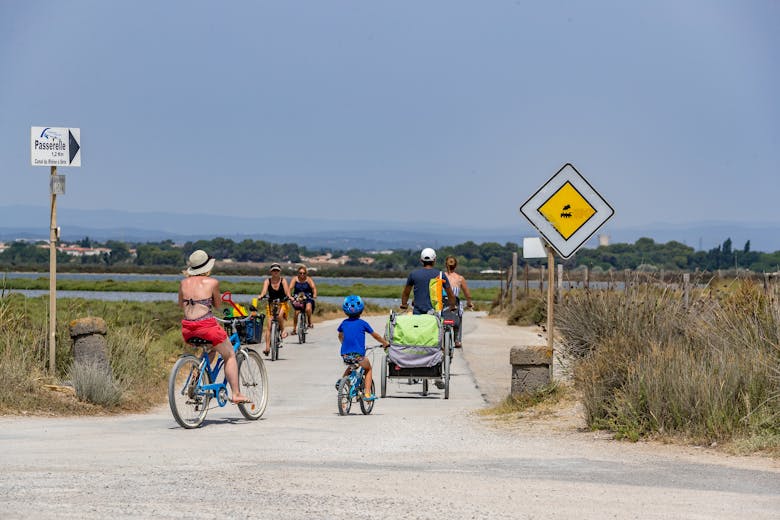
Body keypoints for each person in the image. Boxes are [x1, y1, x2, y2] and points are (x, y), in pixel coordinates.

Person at [178, 250, 250, 404]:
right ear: (206, 267)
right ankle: (236, 394)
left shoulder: (183, 283)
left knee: (211, 350)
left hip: (187, 329)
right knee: (230, 354)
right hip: (207, 327)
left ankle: (195, 379)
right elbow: (217, 305)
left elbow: (180, 305)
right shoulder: (212, 282)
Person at [337, 295, 390, 401]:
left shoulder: (344, 323)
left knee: (352, 365)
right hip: (358, 355)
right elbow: (375, 335)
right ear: (361, 310)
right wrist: (385, 343)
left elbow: (340, 335)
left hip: (345, 354)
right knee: (368, 368)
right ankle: (367, 394)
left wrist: (343, 343)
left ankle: (341, 382)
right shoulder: (362, 323)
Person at [400, 247, 457, 315]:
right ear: (434, 260)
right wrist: (452, 306)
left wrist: (404, 304)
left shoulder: (413, 274)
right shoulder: (441, 275)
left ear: (421, 260)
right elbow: (450, 294)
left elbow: (406, 293)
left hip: (418, 314)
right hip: (435, 314)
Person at [258, 262, 292, 356]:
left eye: (277, 270)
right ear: (271, 271)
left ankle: (283, 331)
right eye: (274, 270)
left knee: (280, 315)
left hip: (282, 303)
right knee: (269, 325)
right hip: (271, 304)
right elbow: (264, 291)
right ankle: (267, 348)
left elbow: (287, 292)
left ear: (279, 271)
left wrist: (290, 297)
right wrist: (261, 296)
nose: (275, 272)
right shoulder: (267, 281)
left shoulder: (283, 281)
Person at [442, 255, 474, 348]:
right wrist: (469, 303)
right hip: (454, 303)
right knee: (458, 318)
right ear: (456, 266)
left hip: (442, 303)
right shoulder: (460, 278)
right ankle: (457, 340)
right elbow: (467, 294)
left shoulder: (441, 276)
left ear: (445, 265)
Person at [289, 264, 318, 331]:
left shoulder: (309, 279)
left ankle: (309, 321)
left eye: (304, 273)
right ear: (298, 273)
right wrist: (290, 296)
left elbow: (314, 288)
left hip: (307, 296)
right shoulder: (295, 279)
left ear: (306, 273)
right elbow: (290, 288)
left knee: (308, 309)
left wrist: (315, 295)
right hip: (297, 297)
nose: (302, 274)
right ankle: (294, 328)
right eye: (300, 273)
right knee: (297, 312)